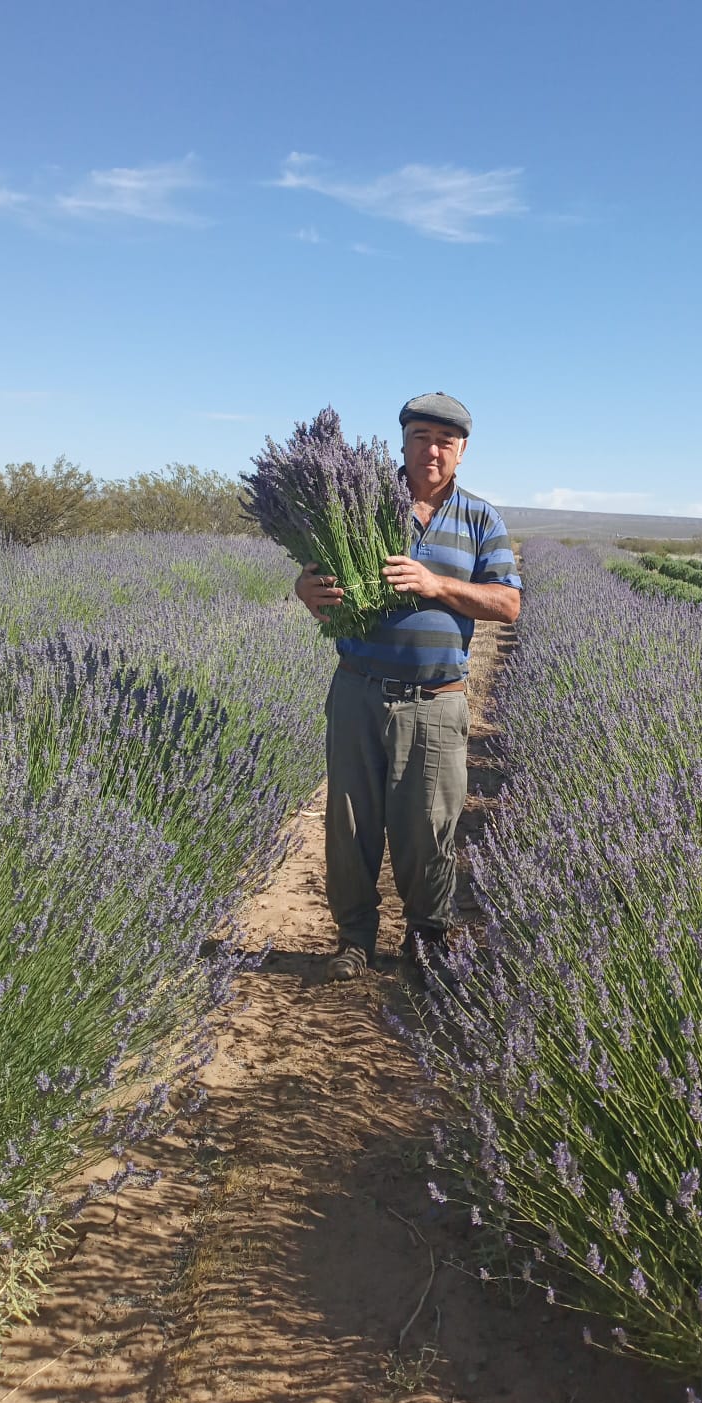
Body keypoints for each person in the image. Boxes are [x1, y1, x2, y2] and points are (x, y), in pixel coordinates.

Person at [294, 392, 521, 982]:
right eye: (421, 437)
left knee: (430, 824)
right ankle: (354, 940)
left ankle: (426, 938)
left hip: (436, 701)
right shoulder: (357, 504)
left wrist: (434, 583)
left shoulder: (480, 519)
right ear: (402, 442)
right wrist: (306, 589)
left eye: (446, 441)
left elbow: (508, 604)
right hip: (358, 691)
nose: (433, 450)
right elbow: (314, 570)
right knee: (349, 823)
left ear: (462, 451)